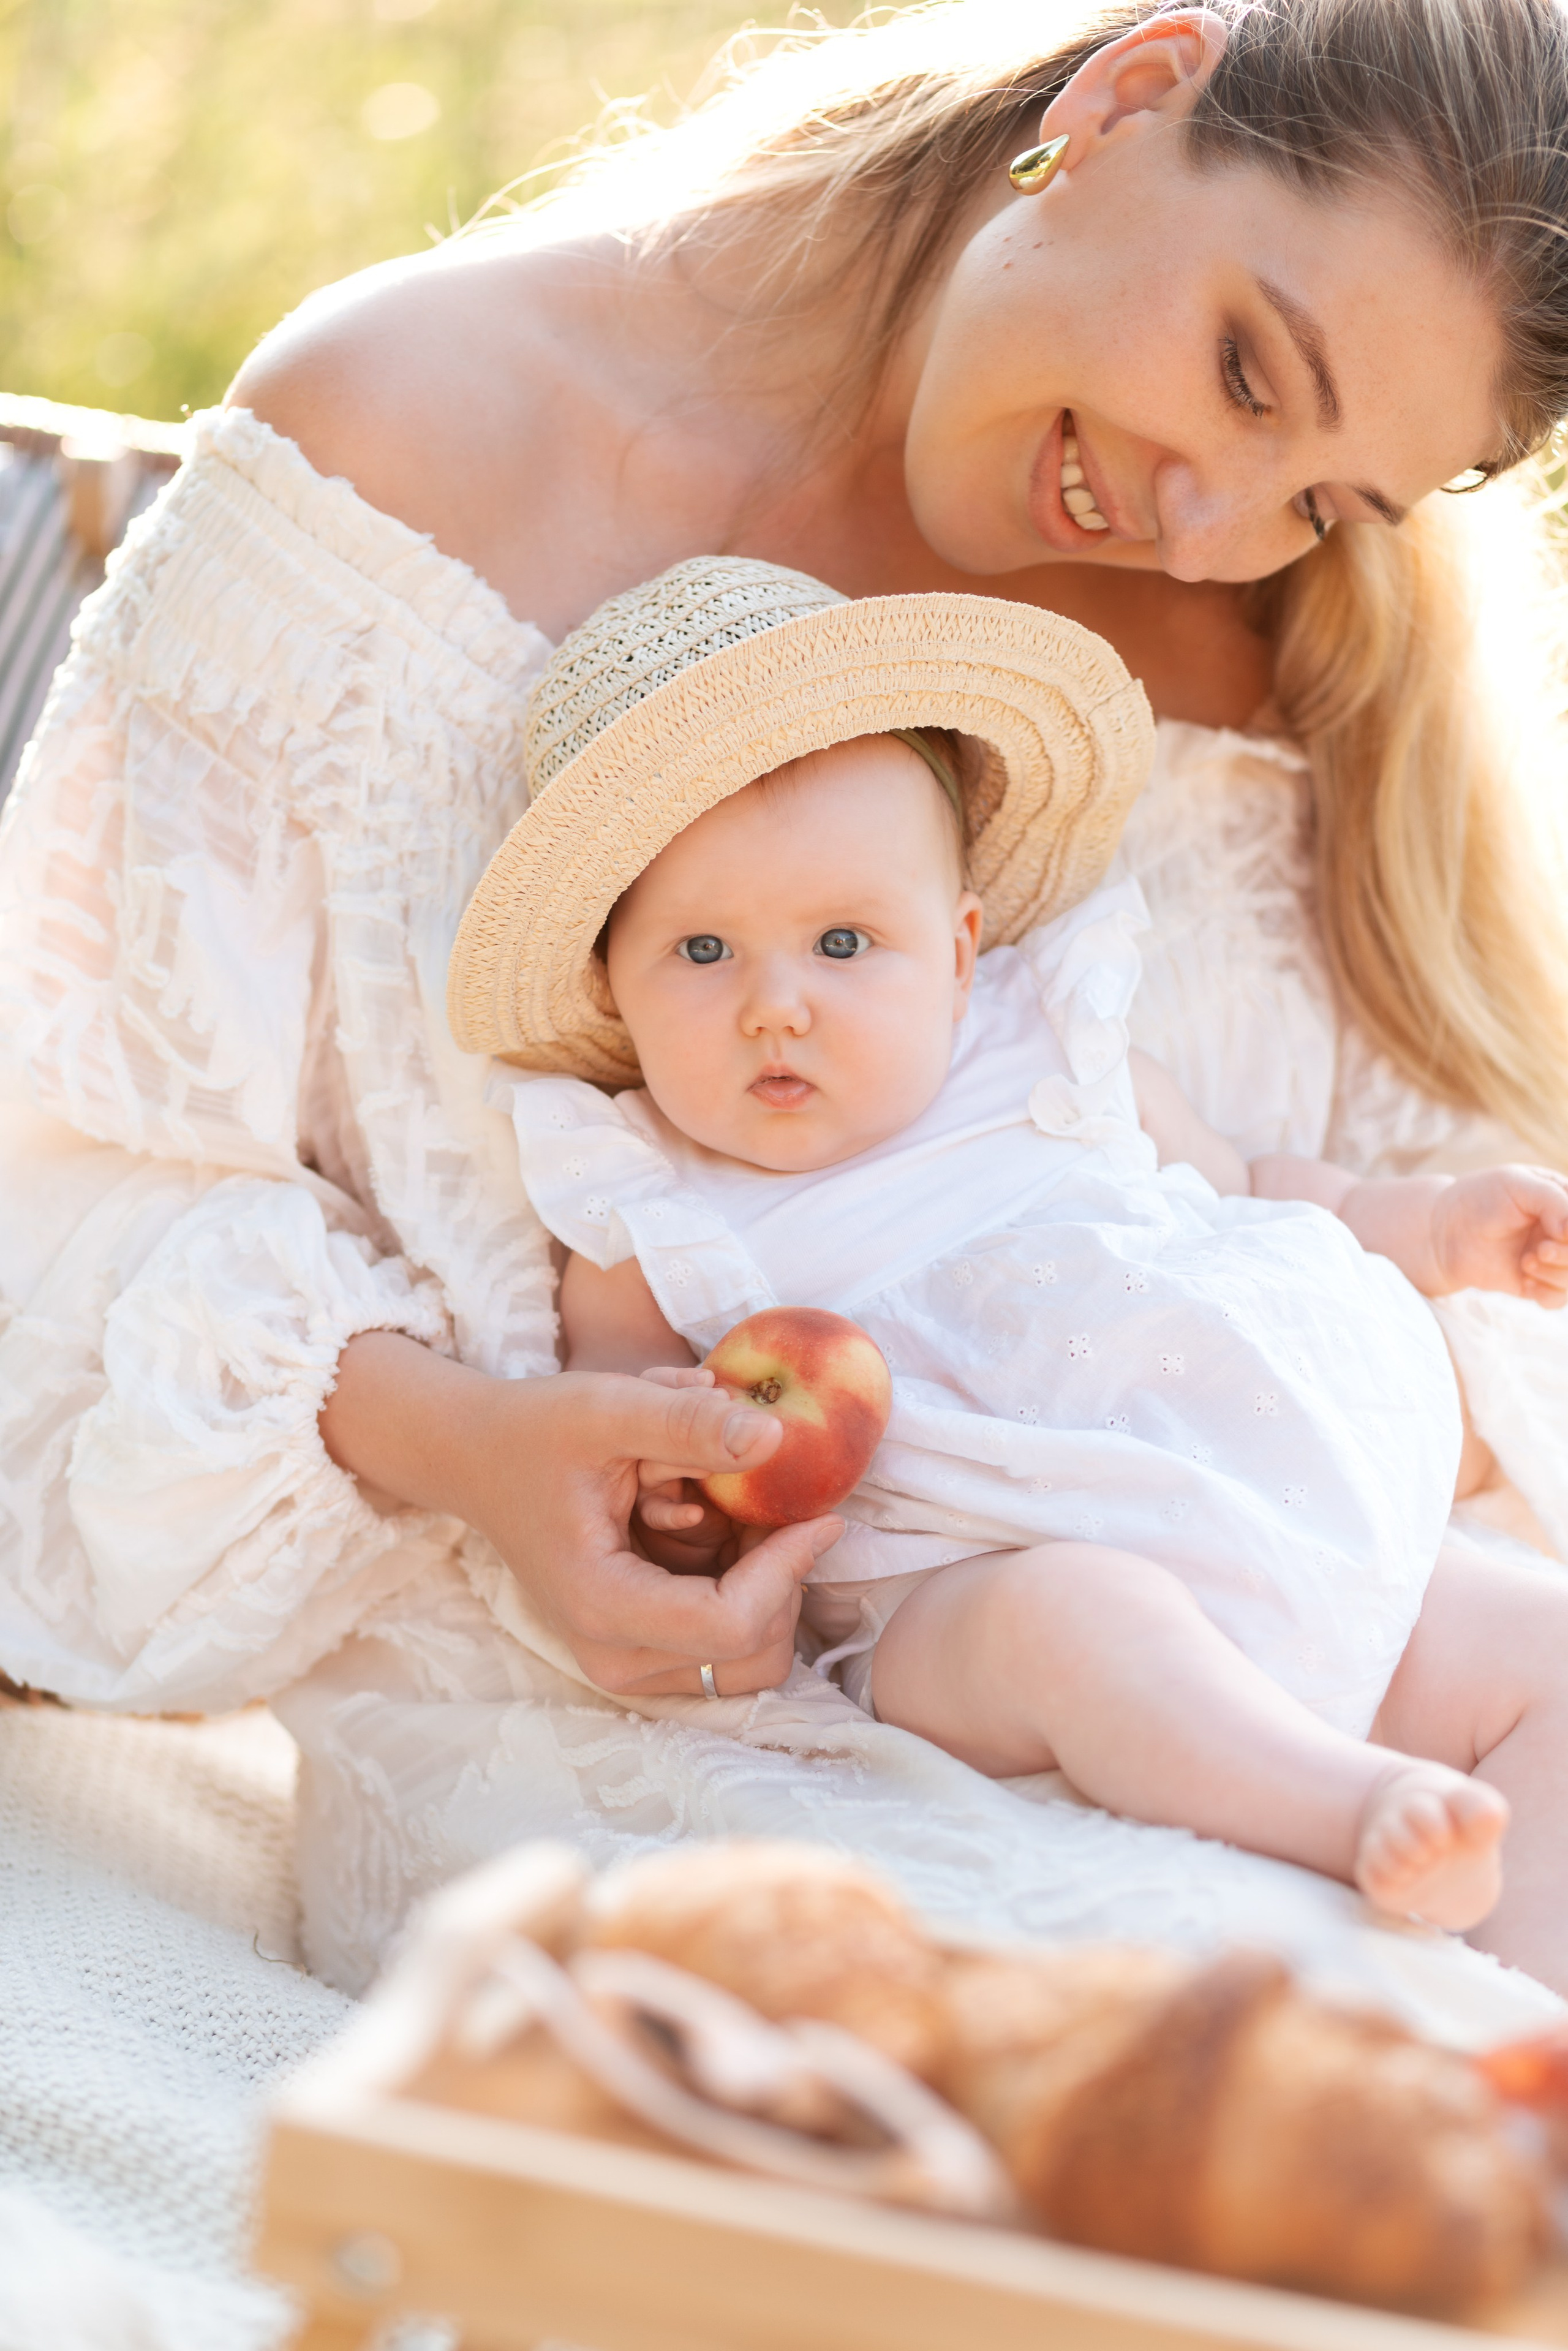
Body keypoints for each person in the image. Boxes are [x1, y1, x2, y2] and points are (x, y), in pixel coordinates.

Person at [6, 0, 1568, 1995]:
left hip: (1287, 1664)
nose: (1211, 524)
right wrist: (493, 1443)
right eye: (1247, 368)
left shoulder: (1274, 642)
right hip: (648, 1748)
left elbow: (1414, 1264)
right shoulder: (410, 440)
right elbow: (60, 1218)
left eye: (1331, 495)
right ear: (1121, 96)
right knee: (1206, 2029)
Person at [467, 552, 1568, 1954]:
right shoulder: (649, 1211)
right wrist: (686, 1510)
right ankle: (1348, 1806)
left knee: (1532, 1644)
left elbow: (1257, 1191)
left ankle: (1523, 2035)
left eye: (843, 940)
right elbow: (624, 1454)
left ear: (960, 955)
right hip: (969, 1577)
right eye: (699, 951)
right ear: (610, 985)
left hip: (1285, 1506)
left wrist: (1440, 1225)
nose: (774, 1008)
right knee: (1083, 1621)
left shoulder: (1055, 1053)